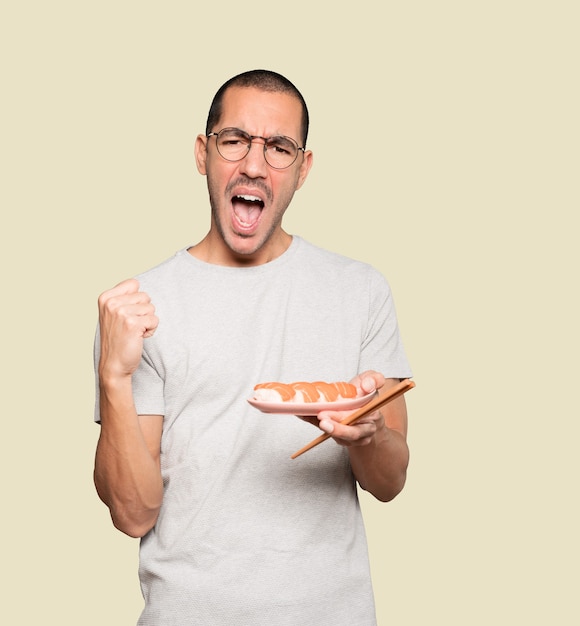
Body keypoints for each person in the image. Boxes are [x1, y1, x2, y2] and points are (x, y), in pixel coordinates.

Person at [93, 69, 413, 626]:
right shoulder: (138, 308)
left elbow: (389, 483)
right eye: (235, 140)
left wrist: (371, 433)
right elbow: (133, 513)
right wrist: (112, 380)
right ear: (203, 153)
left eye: (280, 147)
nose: (255, 164)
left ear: (304, 169)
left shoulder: (360, 290)